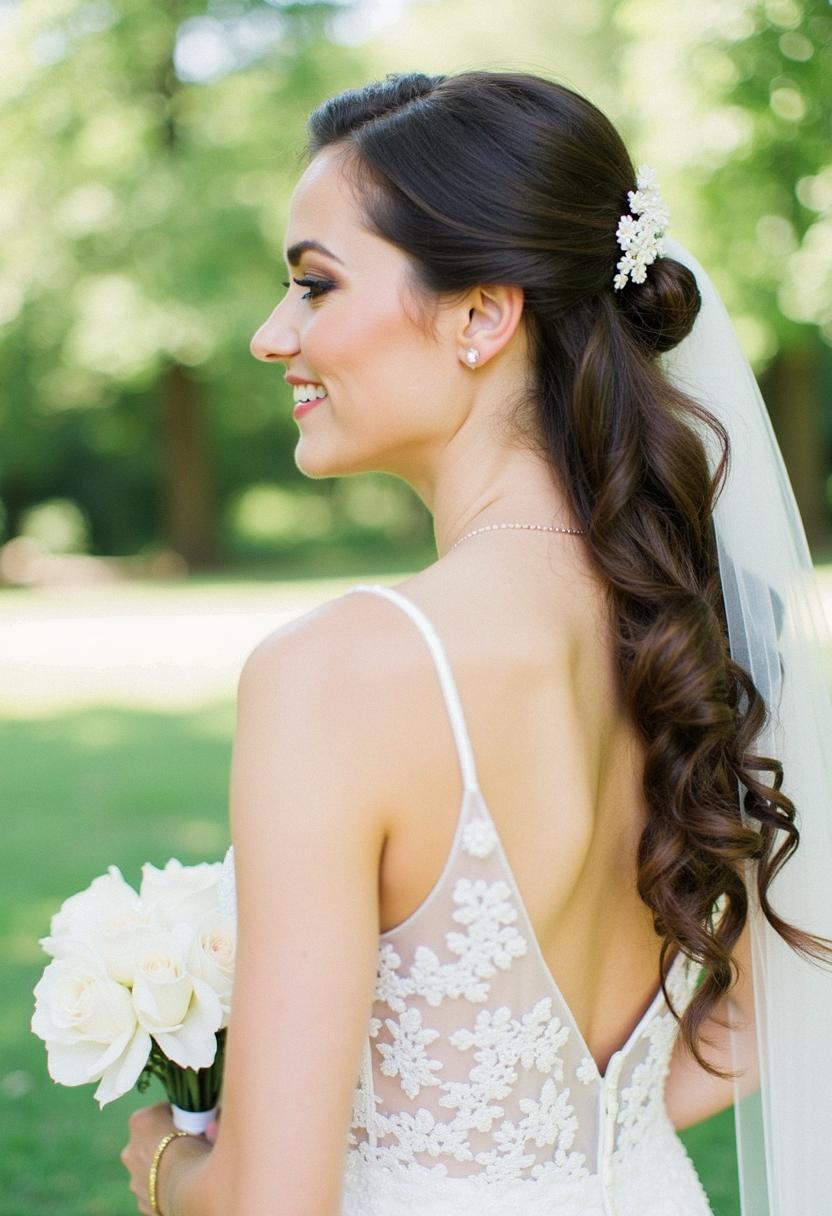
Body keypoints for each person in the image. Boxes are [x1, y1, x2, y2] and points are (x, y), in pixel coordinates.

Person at [121, 70, 832, 1216]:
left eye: (314, 285)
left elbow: (271, 1201)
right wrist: (563, 1152)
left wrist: (162, 1162)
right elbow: (773, 1008)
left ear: (479, 316)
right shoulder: (691, 624)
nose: (270, 336)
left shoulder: (340, 671)